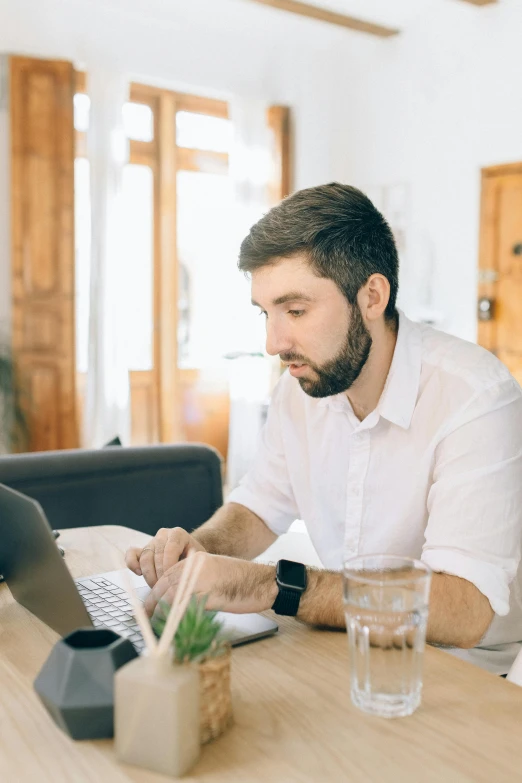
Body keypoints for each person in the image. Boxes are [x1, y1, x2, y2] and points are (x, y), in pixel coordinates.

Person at [126, 183, 522, 673]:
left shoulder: (475, 397)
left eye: (295, 311)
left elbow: (466, 610)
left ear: (372, 296)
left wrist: (269, 584)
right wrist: (200, 550)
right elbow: (258, 505)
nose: (274, 343)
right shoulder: (300, 392)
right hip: (346, 648)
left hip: (457, 673)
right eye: (265, 314)